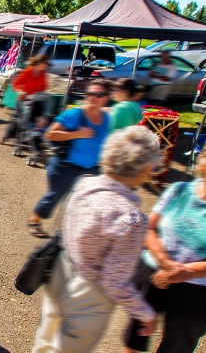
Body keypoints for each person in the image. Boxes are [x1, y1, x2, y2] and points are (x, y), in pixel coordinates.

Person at [33, 126, 161, 352]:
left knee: (46, 336)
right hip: (89, 292)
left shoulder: (85, 184)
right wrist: (145, 312)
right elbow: (114, 281)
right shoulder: (132, 218)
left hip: (60, 268)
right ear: (145, 169)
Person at [123, 139, 206, 353]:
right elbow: (150, 228)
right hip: (153, 273)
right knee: (135, 335)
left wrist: (179, 273)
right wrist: (166, 265)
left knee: (178, 347)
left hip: (199, 290)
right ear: (204, 165)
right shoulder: (179, 190)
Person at [28, 80, 113, 238]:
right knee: (55, 195)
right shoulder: (75, 114)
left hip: (93, 168)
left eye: (98, 94)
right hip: (65, 166)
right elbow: (50, 134)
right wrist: (77, 134)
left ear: (106, 97)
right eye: (89, 93)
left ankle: (69, 232)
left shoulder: (107, 119)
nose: (92, 97)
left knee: (87, 201)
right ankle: (35, 220)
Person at [1, 55, 51, 143]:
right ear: (40, 63)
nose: (46, 66)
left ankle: (31, 137)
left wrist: (40, 94)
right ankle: (7, 135)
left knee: (36, 117)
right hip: (23, 100)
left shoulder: (43, 74)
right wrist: (21, 92)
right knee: (17, 118)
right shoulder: (28, 72)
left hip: (35, 101)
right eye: (45, 63)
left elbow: (44, 87)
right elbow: (15, 85)